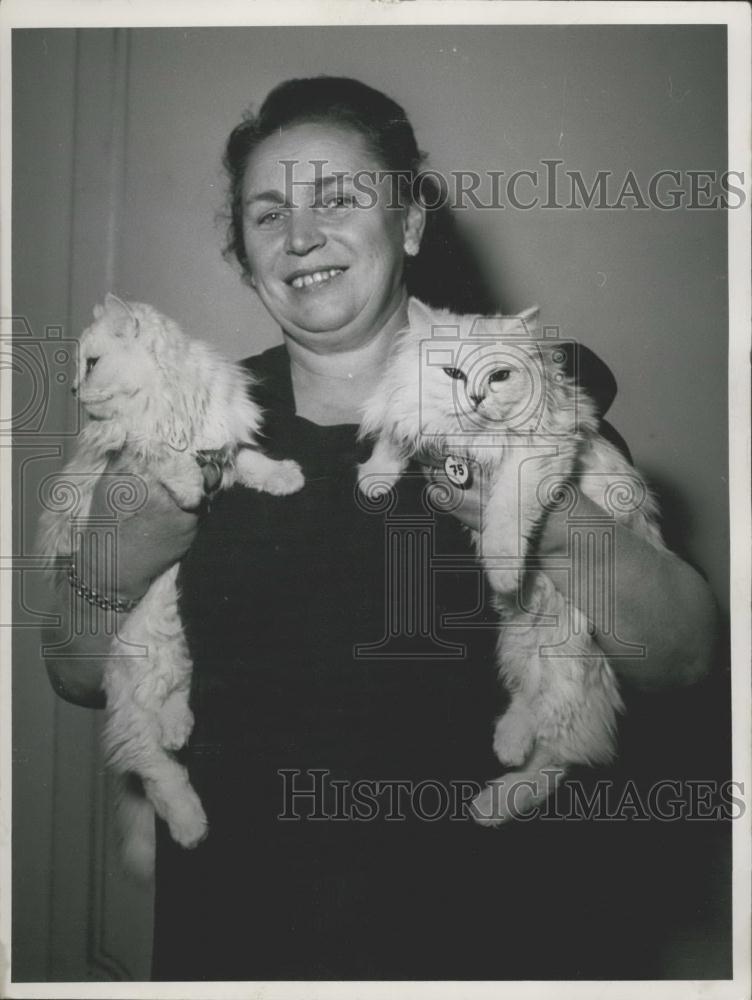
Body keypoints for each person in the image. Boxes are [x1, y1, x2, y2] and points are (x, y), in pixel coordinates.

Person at [43, 76, 723, 981]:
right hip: (239, 936)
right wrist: (112, 559)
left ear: (407, 226)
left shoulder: (515, 402)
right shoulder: (190, 425)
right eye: (268, 213)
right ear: (244, 256)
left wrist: (551, 523)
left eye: (339, 199)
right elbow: (74, 671)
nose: (300, 236)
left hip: (498, 934)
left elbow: (684, 658)